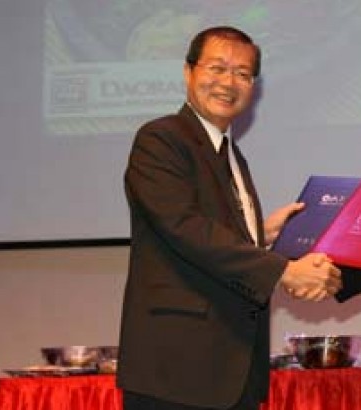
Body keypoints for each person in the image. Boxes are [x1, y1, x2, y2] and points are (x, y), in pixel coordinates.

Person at [117, 26, 342, 410]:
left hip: (231, 372)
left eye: (242, 73)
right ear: (188, 72)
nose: (228, 82)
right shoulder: (161, 138)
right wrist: (284, 270)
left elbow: (213, 232)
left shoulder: (233, 155)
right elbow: (185, 227)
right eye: (217, 68)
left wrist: (262, 234)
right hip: (177, 371)